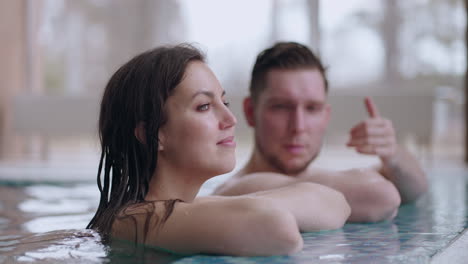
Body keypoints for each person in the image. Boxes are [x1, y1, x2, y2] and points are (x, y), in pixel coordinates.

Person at [86, 44, 351, 256]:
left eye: (224, 102)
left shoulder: (161, 215)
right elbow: (278, 230)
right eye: (204, 106)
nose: (230, 119)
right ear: (153, 135)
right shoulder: (135, 221)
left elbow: (336, 204)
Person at [213, 42, 428, 223]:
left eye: (312, 108)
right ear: (250, 112)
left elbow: (416, 188)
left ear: (326, 116)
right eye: (281, 107)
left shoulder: (329, 182)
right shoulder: (234, 192)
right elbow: (382, 195)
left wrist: (392, 154)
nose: (298, 126)